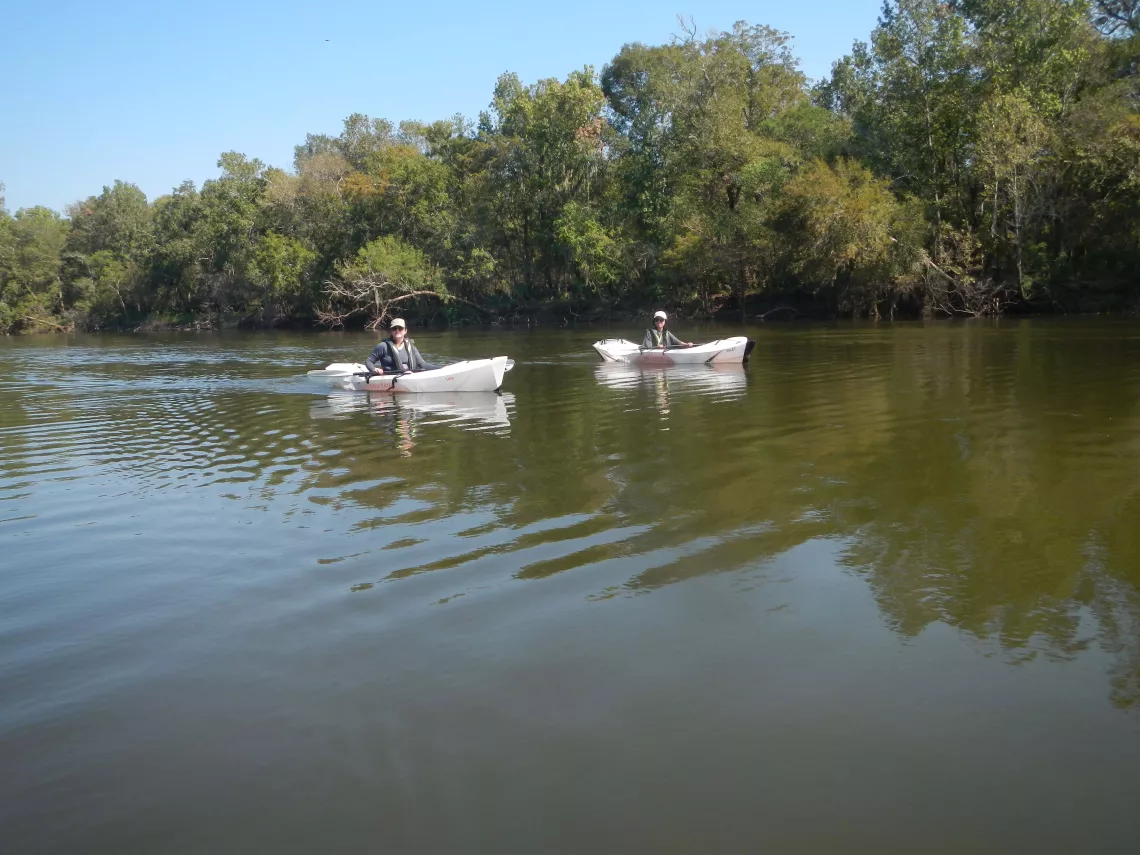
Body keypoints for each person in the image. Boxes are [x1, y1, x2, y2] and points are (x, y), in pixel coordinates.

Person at [365, 318, 442, 374]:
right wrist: (374, 369)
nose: (397, 331)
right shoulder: (383, 346)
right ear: (391, 331)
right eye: (394, 328)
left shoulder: (411, 347)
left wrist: (440, 368)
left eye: (400, 328)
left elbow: (423, 364)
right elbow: (369, 361)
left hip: (409, 376)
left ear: (405, 331)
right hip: (389, 377)